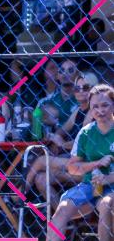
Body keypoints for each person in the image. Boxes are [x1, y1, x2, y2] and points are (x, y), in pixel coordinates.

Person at [22, 85, 114, 241]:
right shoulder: (86, 132)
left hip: (111, 187)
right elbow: (73, 168)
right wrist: (95, 164)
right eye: (95, 107)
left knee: (106, 204)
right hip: (90, 184)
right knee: (63, 207)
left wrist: (108, 179)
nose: (100, 111)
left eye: (105, 105)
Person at [24, 72, 99, 201]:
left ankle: (17, 197)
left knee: (41, 160)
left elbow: (82, 144)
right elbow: (63, 129)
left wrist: (62, 144)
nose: (80, 91)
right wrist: (54, 138)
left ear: (94, 90)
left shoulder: (93, 112)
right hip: (74, 162)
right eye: (77, 88)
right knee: (41, 178)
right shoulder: (79, 110)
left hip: (89, 167)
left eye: (86, 88)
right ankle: (60, 213)